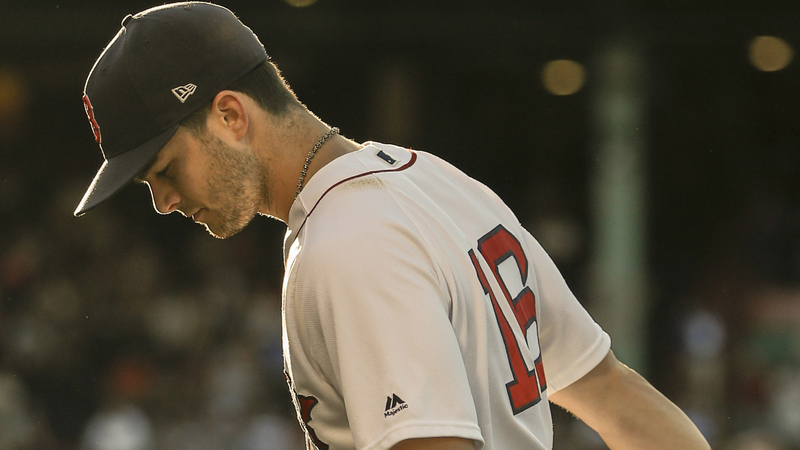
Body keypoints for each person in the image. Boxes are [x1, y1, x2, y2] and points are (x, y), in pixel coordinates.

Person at [74, 3, 711, 450]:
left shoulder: (347, 244)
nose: (161, 201)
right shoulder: (437, 181)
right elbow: (616, 400)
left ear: (231, 116)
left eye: (162, 168)